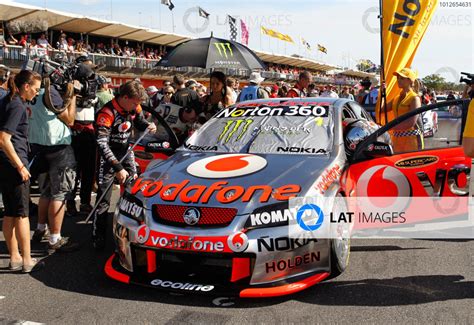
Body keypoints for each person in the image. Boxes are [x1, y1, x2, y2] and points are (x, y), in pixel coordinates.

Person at [92, 80, 156, 250]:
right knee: (104, 200)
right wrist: (117, 168)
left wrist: (149, 125)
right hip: (108, 156)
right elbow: (101, 143)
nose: (137, 106)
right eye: (135, 102)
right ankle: (98, 236)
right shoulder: (106, 113)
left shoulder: (135, 106)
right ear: (124, 97)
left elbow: (141, 121)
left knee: (134, 192)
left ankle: (130, 233)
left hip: (127, 151)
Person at [28, 76, 80, 252]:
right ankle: (55, 239)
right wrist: (72, 96)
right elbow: (69, 119)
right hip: (58, 148)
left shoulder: (31, 93)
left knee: (46, 193)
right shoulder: (49, 92)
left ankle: (41, 229)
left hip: (39, 147)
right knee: (59, 195)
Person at [0, 70, 44, 273]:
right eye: (35, 89)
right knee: (22, 215)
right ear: (26, 86)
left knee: (10, 213)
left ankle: (15, 257)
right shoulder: (17, 104)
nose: (36, 93)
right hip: (14, 164)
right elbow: (3, 138)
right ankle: (26, 260)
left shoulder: (8, 101)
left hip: (5, 164)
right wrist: (20, 166)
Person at [386, 68, 423, 152]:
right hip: (397, 139)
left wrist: (389, 127)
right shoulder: (396, 98)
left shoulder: (414, 98)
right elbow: (382, 109)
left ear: (410, 81)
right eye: (398, 78)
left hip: (412, 139)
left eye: (402, 78)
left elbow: (411, 123)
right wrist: (383, 90)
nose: (398, 80)